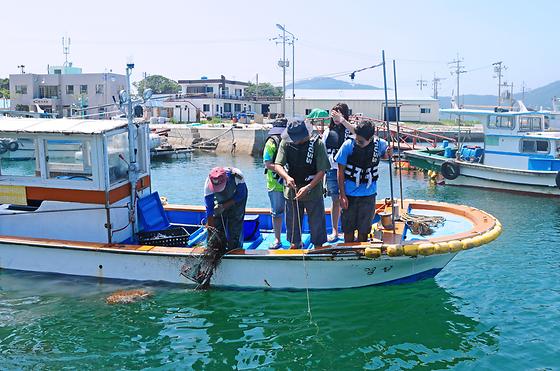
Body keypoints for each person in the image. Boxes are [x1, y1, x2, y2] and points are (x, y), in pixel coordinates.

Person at [274, 118, 330, 249]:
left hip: (313, 190)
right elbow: (278, 165)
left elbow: (322, 170)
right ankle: (295, 246)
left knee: (317, 227)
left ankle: (318, 249)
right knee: (293, 229)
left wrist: (309, 187)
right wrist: (287, 177)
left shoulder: (317, 144)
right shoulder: (285, 143)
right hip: (292, 191)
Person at [335, 120, 389, 243]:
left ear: (370, 138)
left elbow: (385, 155)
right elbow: (340, 172)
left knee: (364, 230)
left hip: (368, 195)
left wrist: (387, 154)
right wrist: (342, 195)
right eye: (357, 139)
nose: (358, 143)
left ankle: (361, 253)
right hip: (349, 195)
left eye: (361, 141)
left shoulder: (380, 144)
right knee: (348, 230)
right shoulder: (348, 145)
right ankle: (348, 251)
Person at [323, 103, 355, 242]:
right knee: (335, 200)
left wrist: (342, 120)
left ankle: (349, 230)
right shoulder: (327, 131)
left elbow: (357, 133)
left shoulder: (349, 129)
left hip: (347, 170)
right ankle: (335, 230)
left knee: (349, 200)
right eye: (334, 113)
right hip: (331, 170)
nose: (335, 116)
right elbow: (322, 152)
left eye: (338, 113)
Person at [204, 166, 248, 251]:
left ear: (226, 179)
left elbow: (240, 195)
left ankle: (235, 249)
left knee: (235, 224)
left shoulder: (237, 176)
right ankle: (219, 247)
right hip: (219, 200)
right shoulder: (207, 184)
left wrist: (224, 206)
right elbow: (209, 209)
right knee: (217, 223)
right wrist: (211, 231)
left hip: (237, 199)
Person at [263, 118, 287, 249]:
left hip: (290, 183)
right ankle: (277, 239)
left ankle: (294, 238)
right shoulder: (271, 143)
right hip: (275, 184)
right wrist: (282, 170)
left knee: (293, 212)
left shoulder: (291, 140)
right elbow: (267, 163)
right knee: (276, 212)